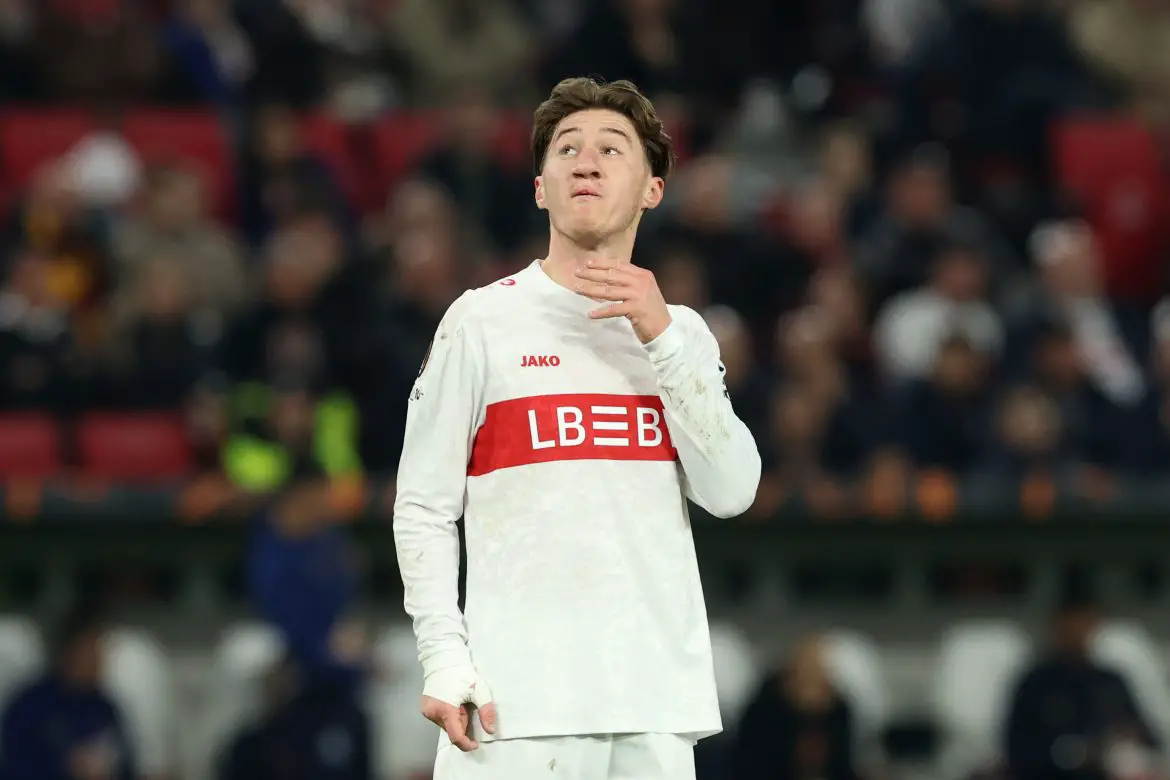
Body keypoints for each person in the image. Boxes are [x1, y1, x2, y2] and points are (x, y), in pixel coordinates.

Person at [393, 77, 762, 780]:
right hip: (512, 710)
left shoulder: (682, 333)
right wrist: (444, 658)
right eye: (567, 149)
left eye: (611, 148)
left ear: (653, 189)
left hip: (654, 704)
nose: (585, 161)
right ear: (540, 189)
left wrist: (659, 338)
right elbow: (423, 508)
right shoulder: (480, 322)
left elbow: (733, 490)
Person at [0, 606, 136, 780]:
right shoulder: (29, 707)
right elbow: (16, 766)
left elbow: (127, 765)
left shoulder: (106, 709)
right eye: (92, 649)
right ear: (70, 651)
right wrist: (65, 767)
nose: (99, 658)